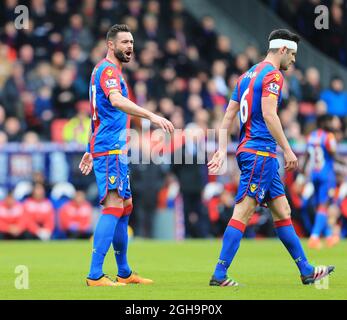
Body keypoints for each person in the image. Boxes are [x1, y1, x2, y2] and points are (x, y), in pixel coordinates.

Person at [207, 29, 334, 287]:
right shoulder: (273, 75)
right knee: (243, 211)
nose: (294, 61)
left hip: (250, 151)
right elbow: (269, 114)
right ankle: (219, 274)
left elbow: (229, 114)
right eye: (294, 54)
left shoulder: (246, 76)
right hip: (260, 153)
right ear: (283, 50)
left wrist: (222, 148)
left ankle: (307, 270)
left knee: (282, 209)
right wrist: (287, 149)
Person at [79, 24, 174, 287]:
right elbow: (117, 101)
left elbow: (96, 114)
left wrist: (89, 148)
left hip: (114, 148)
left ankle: (124, 271)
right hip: (109, 149)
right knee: (113, 205)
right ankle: (95, 274)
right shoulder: (108, 70)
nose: (130, 46)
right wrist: (151, 115)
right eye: (124, 42)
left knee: (125, 207)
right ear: (111, 45)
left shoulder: (110, 71)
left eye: (132, 42)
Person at [300, 114, 346, 249]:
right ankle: (314, 237)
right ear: (326, 123)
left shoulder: (312, 136)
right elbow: (333, 154)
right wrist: (343, 162)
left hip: (314, 174)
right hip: (326, 175)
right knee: (324, 206)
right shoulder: (328, 137)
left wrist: (302, 173)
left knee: (320, 205)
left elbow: (307, 156)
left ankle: (329, 235)